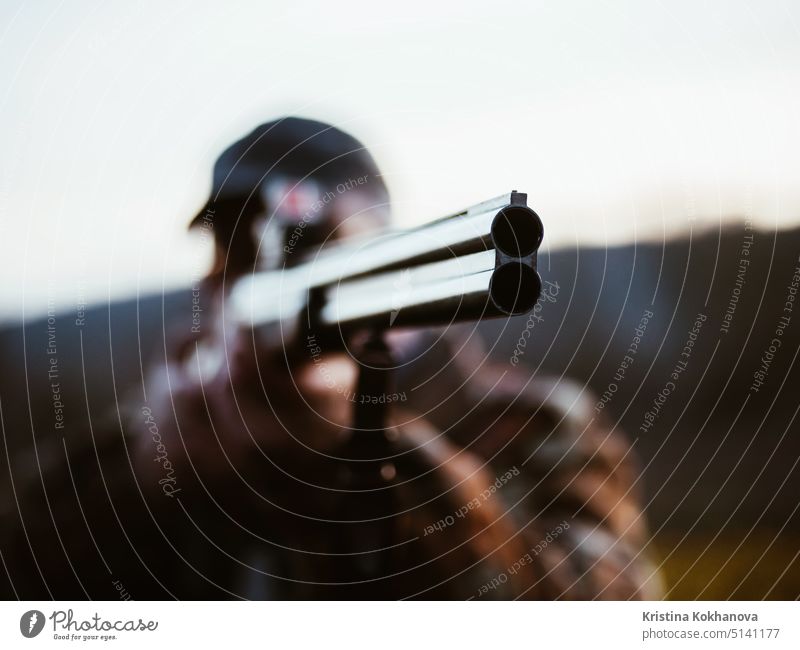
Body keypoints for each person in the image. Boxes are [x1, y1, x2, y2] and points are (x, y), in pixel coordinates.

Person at [0, 117, 662, 599]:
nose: (236, 275)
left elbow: (609, 609)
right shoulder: (162, 431)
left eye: (314, 245)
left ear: (381, 255)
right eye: (229, 251)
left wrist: (374, 463)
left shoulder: (527, 423)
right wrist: (149, 479)